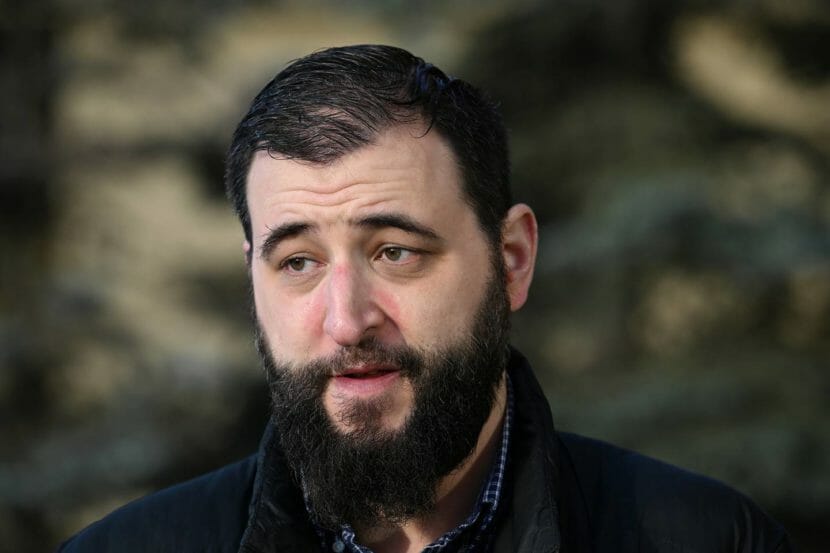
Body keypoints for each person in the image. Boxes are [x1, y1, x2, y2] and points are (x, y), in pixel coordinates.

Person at [58, 44, 793, 553]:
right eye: (299, 262)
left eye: (395, 252)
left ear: (512, 260)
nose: (346, 319)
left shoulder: (705, 537)